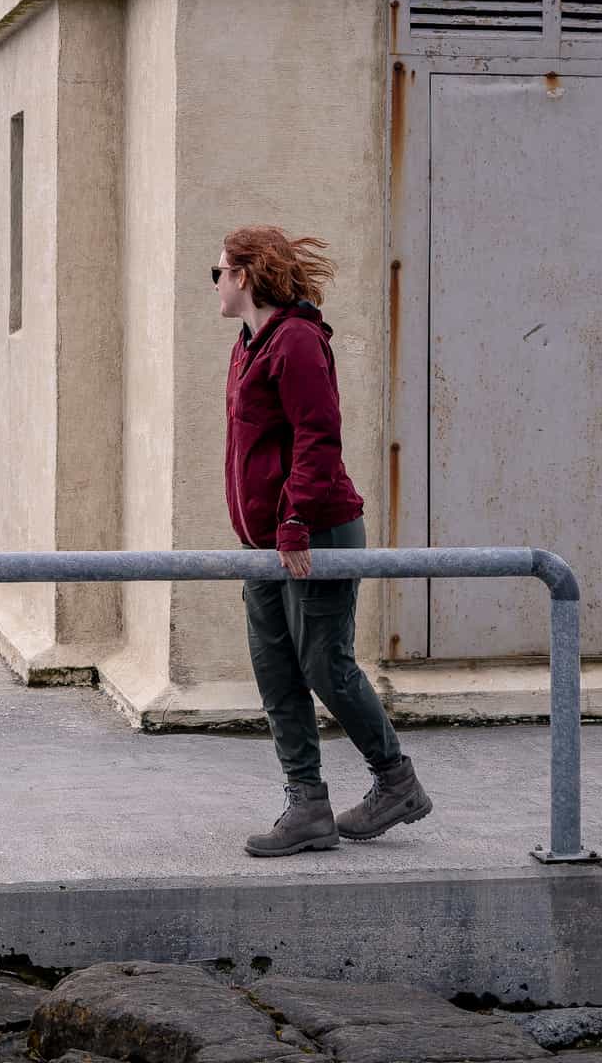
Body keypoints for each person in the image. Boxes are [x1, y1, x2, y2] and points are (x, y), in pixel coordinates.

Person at [214, 224, 432, 857]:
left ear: (246, 276)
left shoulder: (299, 342)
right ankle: (307, 805)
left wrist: (294, 521)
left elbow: (319, 435)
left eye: (219, 272)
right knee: (276, 670)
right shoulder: (249, 343)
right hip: (265, 542)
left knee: (324, 666)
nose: (216, 284)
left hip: (314, 531)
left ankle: (397, 782)